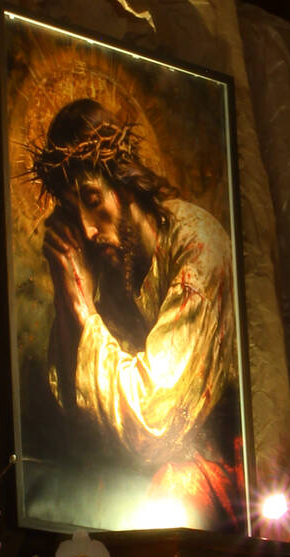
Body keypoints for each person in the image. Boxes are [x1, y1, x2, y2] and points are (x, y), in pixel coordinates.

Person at [31, 98, 244, 526]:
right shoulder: (109, 263)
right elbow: (74, 409)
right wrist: (69, 291)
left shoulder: (197, 247)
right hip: (140, 466)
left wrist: (82, 309)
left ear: (124, 186)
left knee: (165, 497)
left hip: (219, 470)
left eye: (93, 200)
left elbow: (152, 419)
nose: (88, 230)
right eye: (73, 213)